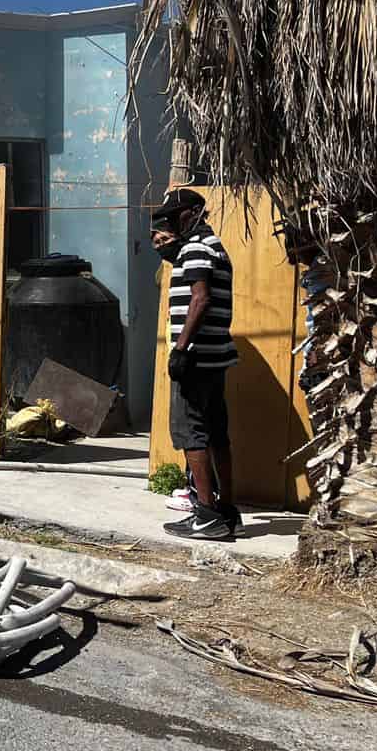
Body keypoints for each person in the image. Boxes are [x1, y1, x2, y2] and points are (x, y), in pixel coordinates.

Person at [150, 188, 240, 541]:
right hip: (216, 357)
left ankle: (206, 515)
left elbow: (200, 299)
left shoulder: (196, 247)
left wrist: (181, 349)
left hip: (197, 358)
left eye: (176, 214)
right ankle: (227, 511)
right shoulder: (214, 246)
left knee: (191, 433)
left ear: (195, 212)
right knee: (217, 433)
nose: (171, 221)